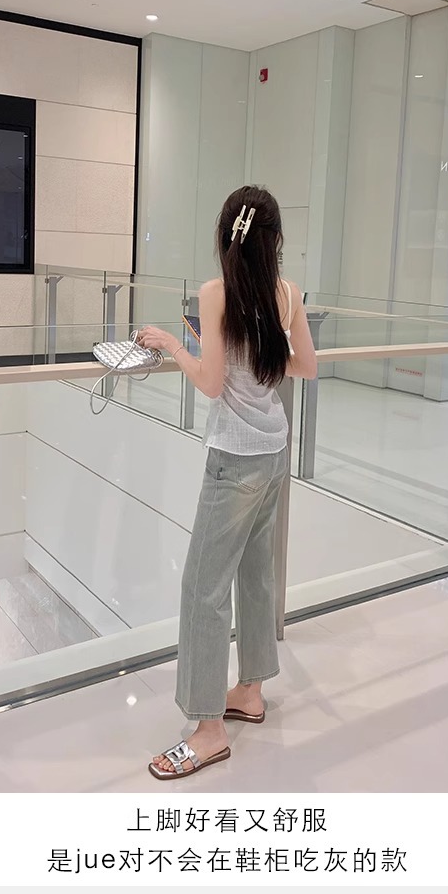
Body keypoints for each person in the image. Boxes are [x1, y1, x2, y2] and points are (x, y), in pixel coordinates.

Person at [138, 185, 318, 781]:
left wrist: (174, 344)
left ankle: (209, 728)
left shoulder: (216, 294)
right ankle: (251, 690)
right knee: (256, 573)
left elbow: (212, 383)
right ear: (275, 242)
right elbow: (306, 365)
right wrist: (261, 348)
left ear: (225, 238)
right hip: (274, 452)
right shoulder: (287, 294)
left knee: (202, 587)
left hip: (234, 459)